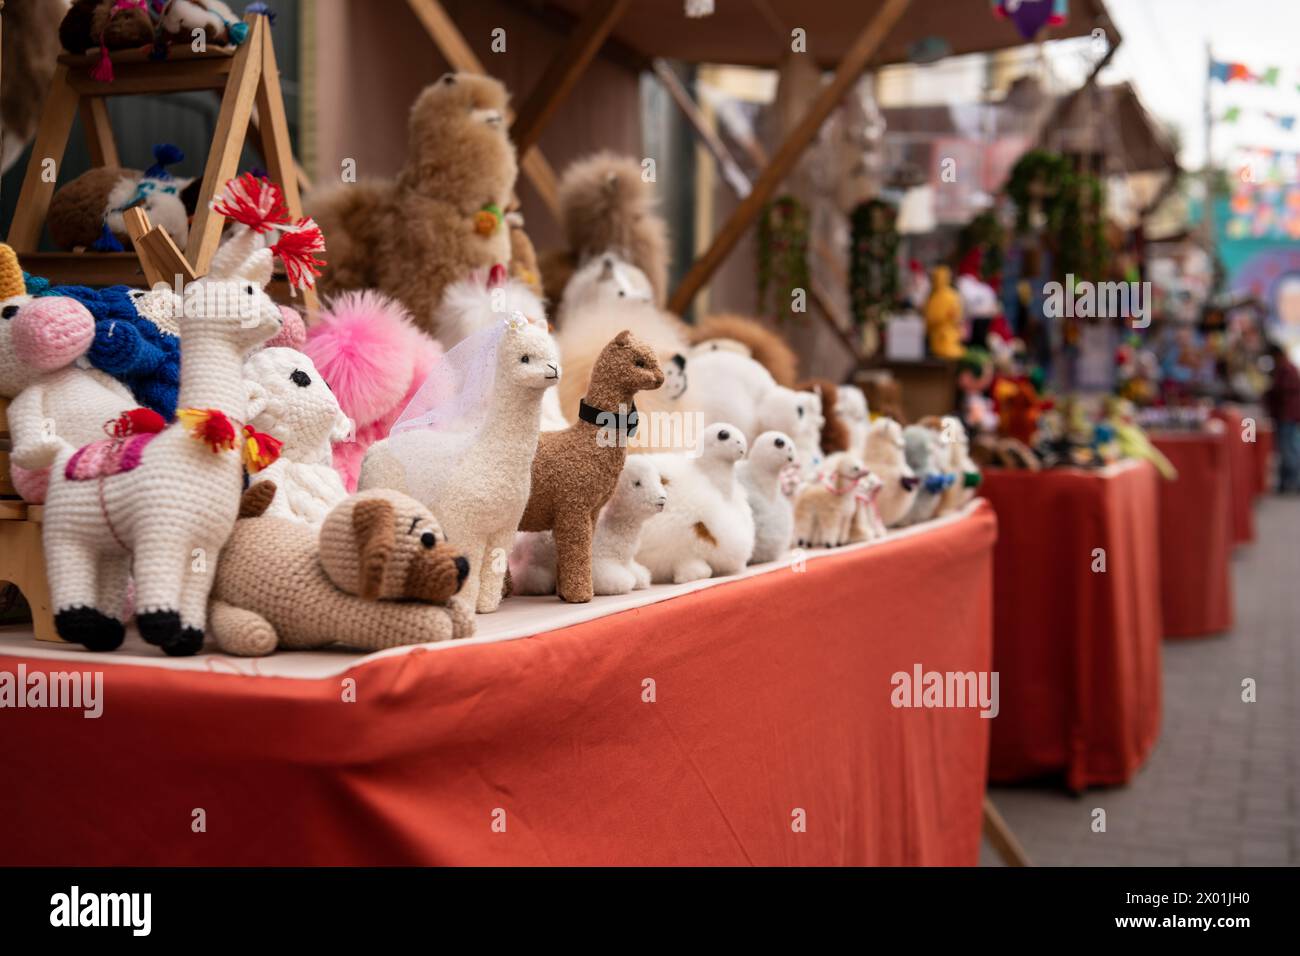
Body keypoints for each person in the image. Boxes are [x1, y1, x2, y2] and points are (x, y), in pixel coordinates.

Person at [1265, 340, 1300, 493]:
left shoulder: (1286, 369)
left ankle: (1292, 482)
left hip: (1288, 415)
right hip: (1286, 414)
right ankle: (1287, 481)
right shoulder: (1285, 368)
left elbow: (1284, 391)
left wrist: (1270, 391)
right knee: (1287, 449)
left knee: (1289, 449)